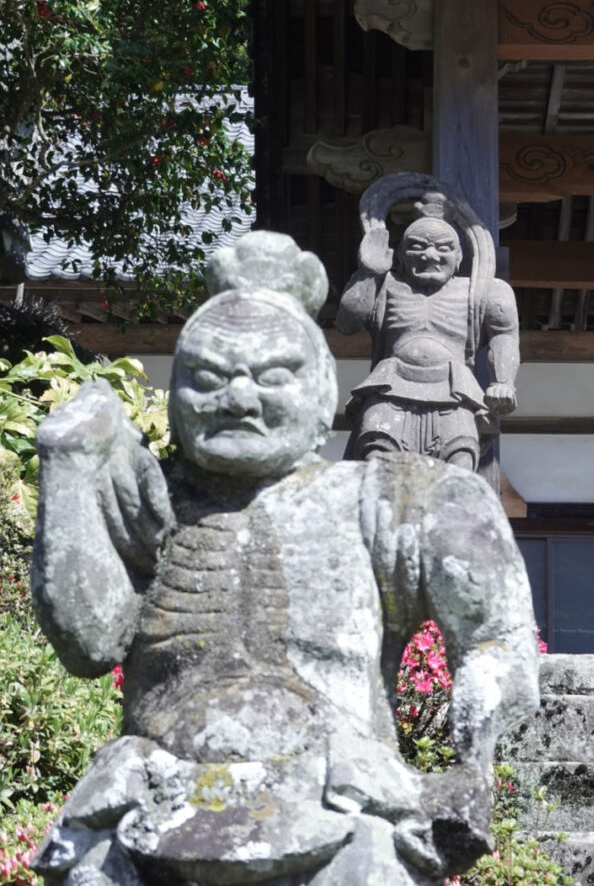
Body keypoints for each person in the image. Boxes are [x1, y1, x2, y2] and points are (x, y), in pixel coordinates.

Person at [31, 231, 539, 886]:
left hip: (338, 788)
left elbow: (496, 640)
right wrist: (68, 469)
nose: (238, 399)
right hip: (154, 785)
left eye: (272, 377)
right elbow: (90, 642)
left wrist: (473, 760)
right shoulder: (153, 498)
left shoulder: (385, 498)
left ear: (324, 385)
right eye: (208, 379)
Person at [336, 190, 519, 471]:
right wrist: (367, 273)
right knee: (377, 457)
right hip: (389, 388)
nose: (430, 255)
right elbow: (347, 323)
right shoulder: (387, 285)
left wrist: (502, 382)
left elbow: (504, 335)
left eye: (443, 248)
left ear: (459, 256)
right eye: (417, 247)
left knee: (459, 462)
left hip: (455, 392)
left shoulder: (482, 290)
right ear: (401, 255)